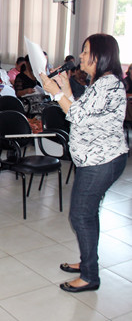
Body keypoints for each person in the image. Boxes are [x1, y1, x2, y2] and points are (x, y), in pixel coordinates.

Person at [40, 33, 128, 293]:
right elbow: (85, 112)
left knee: (80, 215)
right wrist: (65, 89)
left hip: (101, 161)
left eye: (85, 50)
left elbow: (77, 116)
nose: (80, 56)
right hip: (96, 159)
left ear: (99, 55)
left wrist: (56, 93)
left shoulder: (108, 83)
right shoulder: (101, 82)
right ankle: (88, 262)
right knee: (88, 214)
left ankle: (90, 276)